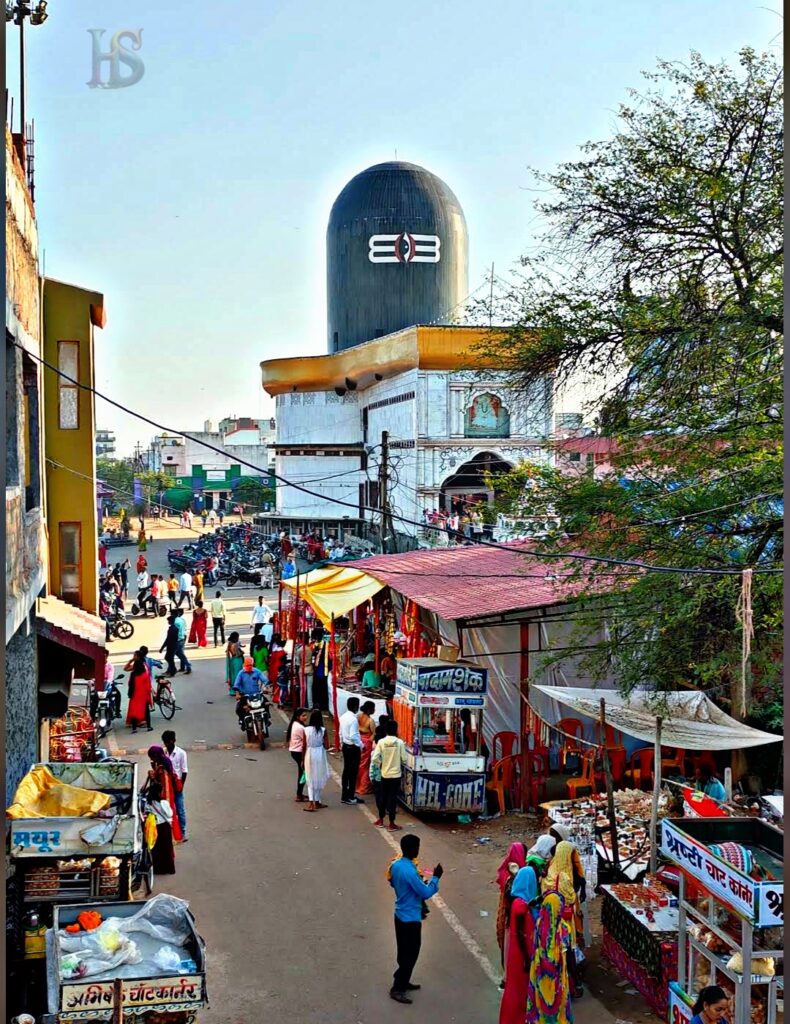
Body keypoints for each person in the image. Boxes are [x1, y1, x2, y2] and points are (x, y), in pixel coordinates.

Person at [387, 833, 443, 1004]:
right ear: (411, 848)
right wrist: (436, 878)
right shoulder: (410, 871)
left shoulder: (396, 865)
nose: (418, 850)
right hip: (410, 918)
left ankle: (403, 979)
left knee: (404, 951)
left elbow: (393, 883)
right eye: (417, 847)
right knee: (411, 953)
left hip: (400, 913)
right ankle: (398, 988)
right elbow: (425, 892)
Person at [543, 840, 584, 999]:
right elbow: (571, 898)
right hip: (564, 922)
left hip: (549, 919)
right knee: (568, 953)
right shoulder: (564, 877)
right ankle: (575, 984)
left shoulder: (549, 872)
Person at [499, 864, 539, 1024]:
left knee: (514, 989)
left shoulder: (517, 901)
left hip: (516, 953)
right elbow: (522, 935)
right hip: (521, 954)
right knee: (520, 990)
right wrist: (527, 958)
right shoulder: (521, 906)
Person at [525, 891, 572, 1024]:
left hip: (539, 976)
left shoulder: (539, 923)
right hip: (557, 980)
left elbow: (532, 906)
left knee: (539, 1008)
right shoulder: (563, 929)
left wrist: (540, 899)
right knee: (557, 1011)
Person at [495, 841, 529, 977]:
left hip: (506, 915)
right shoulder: (516, 875)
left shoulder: (506, 872)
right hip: (513, 916)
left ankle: (507, 974)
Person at [371, 720, 408, 830]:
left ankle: (381, 819)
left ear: (386, 730)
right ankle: (392, 823)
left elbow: (375, 758)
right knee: (392, 798)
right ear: (396, 730)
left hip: (384, 774)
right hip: (396, 775)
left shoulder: (381, 742)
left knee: (383, 797)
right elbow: (404, 759)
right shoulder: (400, 742)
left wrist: (381, 765)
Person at [144, 745, 183, 843]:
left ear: (156, 756)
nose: (152, 759)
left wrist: (153, 778)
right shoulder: (161, 763)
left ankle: (171, 837)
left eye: (152, 757)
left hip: (165, 795)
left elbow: (163, 784)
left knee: (166, 814)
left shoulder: (162, 768)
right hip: (166, 793)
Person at [161, 729, 188, 840]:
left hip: (176, 786)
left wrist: (180, 786)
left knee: (180, 810)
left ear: (174, 741)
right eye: (165, 742)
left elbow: (184, 771)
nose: (167, 745)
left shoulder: (181, 753)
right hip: (166, 786)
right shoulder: (163, 752)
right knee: (167, 810)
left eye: (169, 742)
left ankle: (182, 831)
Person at [144, 780, 175, 874]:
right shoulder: (163, 803)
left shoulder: (148, 802)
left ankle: (157, 869)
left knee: (156, 849)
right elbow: (170, 814)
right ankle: (168, 868)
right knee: (166, 848)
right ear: (159, 791)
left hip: (154, 826)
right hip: (164, 827)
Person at [303, 709, 329, 812]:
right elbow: (326, 746)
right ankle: (317, 801)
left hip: (309, 753)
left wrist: (302, 759)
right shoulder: (323, 730)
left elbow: (304, 746)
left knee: (310, 778)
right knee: (318, 777)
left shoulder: (306, 729)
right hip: (320, 754)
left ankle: (311, 803)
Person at [339, 697, 364, 805]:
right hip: (353, 748)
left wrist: (341, 744)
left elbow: (340, 732)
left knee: (346, 772)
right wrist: (361, 745)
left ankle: (346, 794)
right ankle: (349, 796)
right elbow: (353, 735)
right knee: (353, 773)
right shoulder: (353, 720)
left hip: (345, 746)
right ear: (355, 706)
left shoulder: (343, 717)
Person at [125, 656, 154, 733]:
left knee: (134, 712)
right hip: (144, 695)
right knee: (146, 711)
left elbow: (129, 684)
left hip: (135, 695)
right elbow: (148, 686)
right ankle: (149, 726)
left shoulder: (133, 674)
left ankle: (134, 728)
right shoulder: (145, 675)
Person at [286, 707, 308, 803]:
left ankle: (300, 793)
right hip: (299, 752)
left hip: (295, 751)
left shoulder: (295, 724)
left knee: (302, 772)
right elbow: (307, 741)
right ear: (298, 717)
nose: (305, 717)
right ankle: (299, 795)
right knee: (303, 773)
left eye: (305, 715)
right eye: (303, 716)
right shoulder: (300, 728)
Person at [356, 700, 376, 796]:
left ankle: (357, 786)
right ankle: (363, 787)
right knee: (365, 766)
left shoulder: (359, 716)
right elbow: (374, 734)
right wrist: (369, 742)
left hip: (359, 740)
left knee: (359, 764)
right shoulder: (370, 721)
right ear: (370, 709)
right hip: (366, 742)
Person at [268, 635, 286, 705]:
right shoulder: (280, 649)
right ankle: (280, 698)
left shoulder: (272, 647)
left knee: (276, 684)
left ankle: (275, 697)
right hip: (280, 668)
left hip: (273, 667)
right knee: (281, 685)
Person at [173, 610, 192, 674]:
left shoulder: (175, 622)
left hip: (178, 638)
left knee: (179, 653)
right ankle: (183, 667)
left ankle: (188, 666)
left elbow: (175, 631)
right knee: (181, 652)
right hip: (183, 636)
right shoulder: (182, 619)